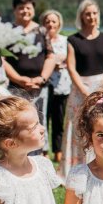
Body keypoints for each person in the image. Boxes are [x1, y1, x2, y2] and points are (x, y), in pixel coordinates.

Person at [61, 0, 103, 176]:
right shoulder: (73, 40)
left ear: (98, 15)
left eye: (94, 13)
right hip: (80, 89)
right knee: (77, 126)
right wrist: (85, 91)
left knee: (101, 126)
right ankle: (74, 167)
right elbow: (71, 67)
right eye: (87, 14)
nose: (91, 17)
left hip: (102, 88)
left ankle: (100, 163)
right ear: (82, 16)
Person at [3, 0, 55, 154]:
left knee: (39, 123)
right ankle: (16, 158)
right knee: (16, 124)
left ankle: (37, 159)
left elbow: (50, 56)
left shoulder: (42, 31)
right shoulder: (8, 30)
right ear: (14, 10)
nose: (25, 11)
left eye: (28, 7)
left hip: (39, 88)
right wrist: (19, 79)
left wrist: (42, 78)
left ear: (33, 9)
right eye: (21, 8)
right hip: (15, 88)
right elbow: (2, 59)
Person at [41, 10, 71, 164]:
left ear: (59, 23)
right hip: (44, 86)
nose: (50, 24)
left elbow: (71, 61)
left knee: (59, 122)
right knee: (43, 120)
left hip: (62, 86)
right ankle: (43, 151)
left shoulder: (66, 41)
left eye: (53, 21)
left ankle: (58, 152)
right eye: (47, 21)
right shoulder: (40, 41)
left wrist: (61, 62)